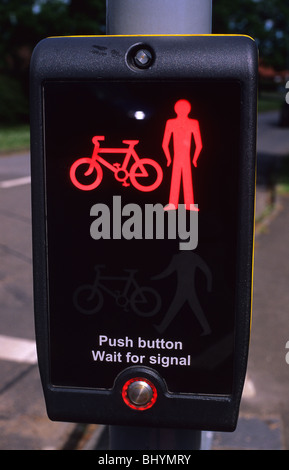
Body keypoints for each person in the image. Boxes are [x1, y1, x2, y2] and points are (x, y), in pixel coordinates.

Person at [162, 99, 202, 210]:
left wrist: (168, 158)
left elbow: (164, 144)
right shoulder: (192, 123)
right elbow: (199, 145)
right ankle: (184, 204)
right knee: (184, 178)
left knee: (177, 178)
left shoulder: (172, 123)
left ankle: (175, 204)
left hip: (178, 156)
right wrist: (195, 158)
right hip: (184, 156)